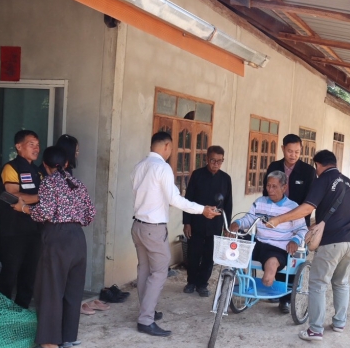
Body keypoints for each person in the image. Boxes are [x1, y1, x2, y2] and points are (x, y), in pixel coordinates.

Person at [131, 131, 220, 337]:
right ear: (166, 146)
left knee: (144, 269)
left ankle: (147, 310)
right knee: (160, 272)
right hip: (153, 228)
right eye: (171, 148)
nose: (171, 151)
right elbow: (175, 199)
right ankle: (146, 319)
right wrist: (202, 210)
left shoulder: (139, 166)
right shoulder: (162, 167)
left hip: (138, 225)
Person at [266, 150, 350, 341]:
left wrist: (279, 219)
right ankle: (339, 323)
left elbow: (307, 208)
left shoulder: (323, 180)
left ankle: (315, 329)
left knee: (317, 283)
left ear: (318, 165)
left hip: (333, 242)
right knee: (341, 282)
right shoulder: (347, 182)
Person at [13, 146, 96, 348]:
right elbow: (90, 215)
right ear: (66, 163)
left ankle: (50, 343)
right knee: (72, 289)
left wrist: (24, 208)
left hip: (57, 238)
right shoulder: (78, 183)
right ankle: (68, 336)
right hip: (78, 238)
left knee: (50, 289)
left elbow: (45, 213)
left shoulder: (49, 183)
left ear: (45, 165)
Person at [229, 171, 306, 292]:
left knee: (267, 280)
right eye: (268, 186)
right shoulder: (260, 202)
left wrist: (295, 240)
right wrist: (237, 223)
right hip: (257, 243)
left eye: (274, 186)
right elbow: (249, 219)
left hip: (276, 249)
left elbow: (303, 229)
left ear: (284, 187)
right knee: (233, 239)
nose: (270, 190)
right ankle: (238, 277)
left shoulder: (293, 207)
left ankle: (265, 287)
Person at [0, 130, 42, 309]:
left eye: (37, 145)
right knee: (10, 272)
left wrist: (34, 198)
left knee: (29, 274)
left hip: (34, 229)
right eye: (31, 144)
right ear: (18, 146)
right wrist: (41, 197)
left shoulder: (37, 171)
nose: (36, 148)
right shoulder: (11, 168)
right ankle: (1, 311)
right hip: (13, 231)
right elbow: (13, 195)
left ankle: (21, 309)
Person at [182, 145, 233, 297]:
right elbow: (188, 200)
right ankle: (191, 282)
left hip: (215, 225)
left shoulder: (226, 179)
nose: (216, 164)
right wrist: (187, 222)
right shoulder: (197, 175)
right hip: (196, 223)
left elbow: (228, 204)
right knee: (193, 254)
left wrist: (226, 227)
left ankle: (202, 284)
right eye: (213, 160)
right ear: (206, 159)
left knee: (210, 256)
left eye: (219, 161)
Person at [263, 134, 316, 225]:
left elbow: (309, 201)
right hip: (273, 218)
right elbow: (266, 192)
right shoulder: (274, 167)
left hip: (298, 221)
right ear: (283, 148)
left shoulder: (308, 171)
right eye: (290, 151)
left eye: (297, 152)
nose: (293, 155)